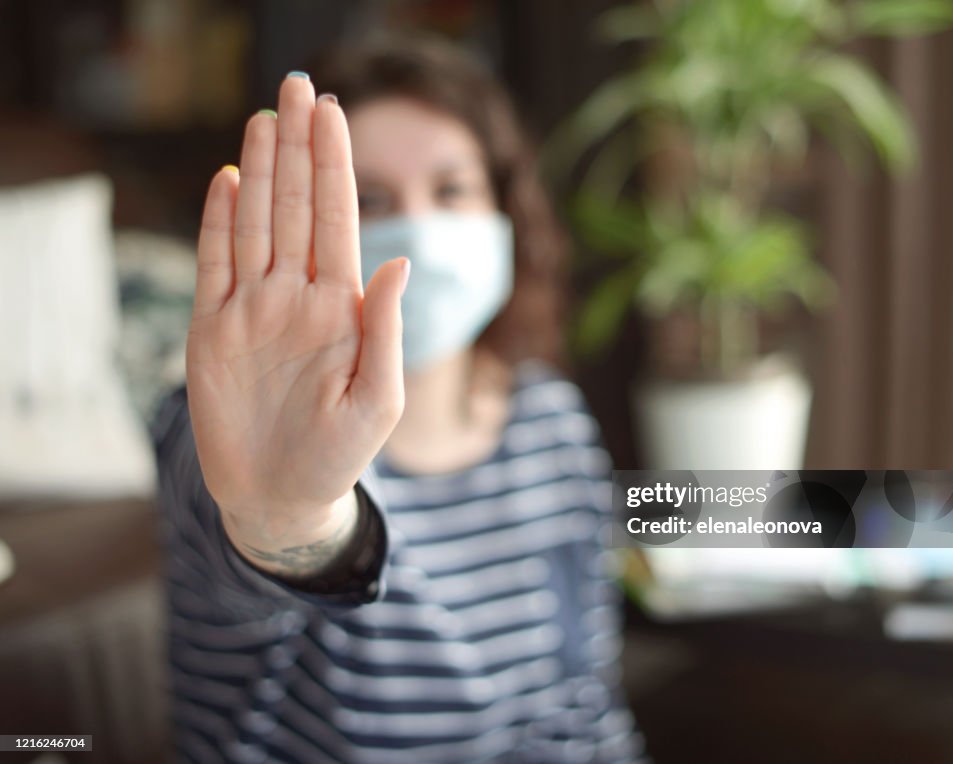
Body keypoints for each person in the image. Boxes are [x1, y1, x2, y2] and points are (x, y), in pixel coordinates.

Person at [152, 35, 646, 763]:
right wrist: (289, 523)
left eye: (452, 190)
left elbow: (585, 701)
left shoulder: (549, 420)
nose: (421, 231)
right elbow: (255, 564)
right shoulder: (229, 433)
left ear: (507, 209)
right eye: (372, 199)